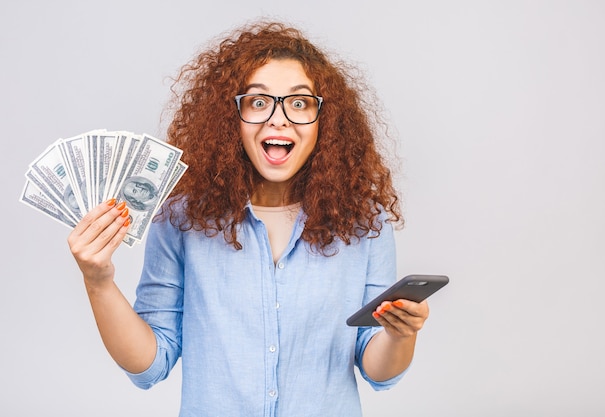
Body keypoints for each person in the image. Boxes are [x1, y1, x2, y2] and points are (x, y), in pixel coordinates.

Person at [68, 19, 430, 417]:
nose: (279, 119)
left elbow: (377, 371)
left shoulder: (365, 223)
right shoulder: (180, 219)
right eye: (258, 102)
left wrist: (401, 334)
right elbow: (150, 365)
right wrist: (98, 281)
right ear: (231, 120)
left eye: (299, 102)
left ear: (324, 121)